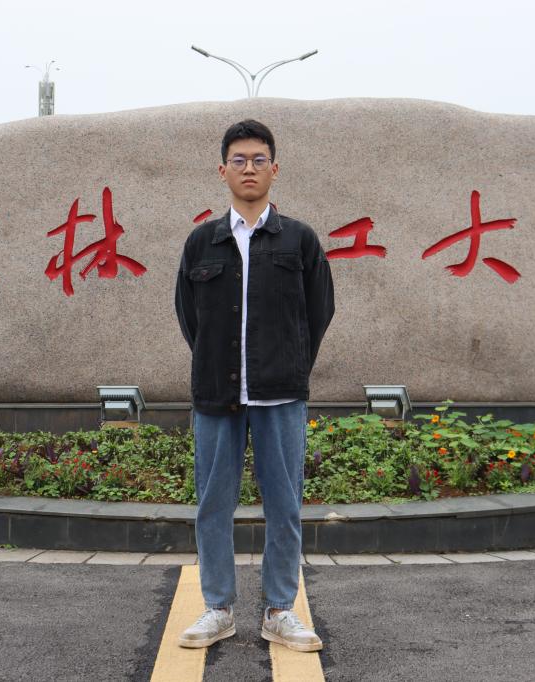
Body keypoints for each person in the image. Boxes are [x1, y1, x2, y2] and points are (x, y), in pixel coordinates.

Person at [174, 119, 335, 652]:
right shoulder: (203, 241)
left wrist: (290, 363)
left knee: (284, 505)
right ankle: (218, 608)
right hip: (217, 397)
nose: (249, 168)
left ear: (274, 169)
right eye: (239, 160)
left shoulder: (298, 239)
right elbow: (189, 316)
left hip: (280, 395)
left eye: (258, 159)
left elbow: (319, 310)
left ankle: (279, 610)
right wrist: (216, 361)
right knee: (213, 505)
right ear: (222, 170)